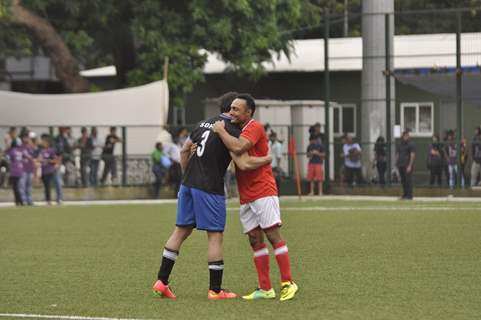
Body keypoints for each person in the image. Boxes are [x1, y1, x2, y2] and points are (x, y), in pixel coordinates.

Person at [153, 92, 271, 300]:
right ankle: (216, 290)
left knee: (180, 232)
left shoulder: (203, 124)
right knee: (215, 236)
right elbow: (242, 163)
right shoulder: (233, 130)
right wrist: (267, 159)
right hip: (209, 187)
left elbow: (184, 150)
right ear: (232, 108)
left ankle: (162, 281)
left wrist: (187, 176)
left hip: (188, 185)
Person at [212, 93, 299, 302]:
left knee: (272, 235)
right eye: (230, 108)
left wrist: (220, 131)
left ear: (248, 112)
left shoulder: (254, 126)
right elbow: (241, 162)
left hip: (262, 190)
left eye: (236, 109)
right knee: (254, 239)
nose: (231, 112)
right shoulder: (236, 130)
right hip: (246, 194)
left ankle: (288, 282)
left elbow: (239, 148)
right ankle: (265, 288)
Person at [39, 134, 60, 205]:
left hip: (49, 171)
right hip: (43, 171)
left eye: (44, 142)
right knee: (46, 186)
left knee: (49, 186)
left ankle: (51, 200)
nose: (42, 143)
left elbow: (55, 160)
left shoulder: (51, 151)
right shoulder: (41, 151)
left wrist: (48, 160)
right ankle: (47, 200)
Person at [19, 132, 37, 206]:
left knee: (29, 187)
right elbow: (27, 156)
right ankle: (23, 200)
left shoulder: (31, 147)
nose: (27, 139)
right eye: (25, 137)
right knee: (22, 186)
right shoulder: (20, 147)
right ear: (22, 139)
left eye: (28, 138)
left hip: (30, 169)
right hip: (23, 169)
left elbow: (34, 157)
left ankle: (29, 200)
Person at [396, 130, 416, 200]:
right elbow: (398, 154)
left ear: (408, 136)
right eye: (404, 135)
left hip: (407, 165)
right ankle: (404, 195)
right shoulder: (400, 144)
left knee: (408, 180)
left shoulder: (411, 144)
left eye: (406, 135)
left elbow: (412, 155)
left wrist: (410, 165)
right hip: (400, 165)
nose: (405, 137)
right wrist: (397, 163)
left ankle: (409, 196)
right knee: (403, 181)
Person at [6, 140, 25, 206]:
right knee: (17, 187)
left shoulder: (12, 151)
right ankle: (18, 201)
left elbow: (7, 159)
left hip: (14, 171)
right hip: (20, 170)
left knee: (16, 187)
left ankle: (20, 201)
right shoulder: (19, 151)